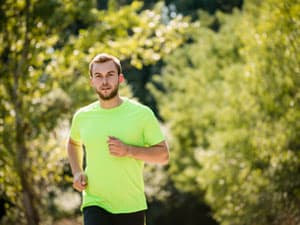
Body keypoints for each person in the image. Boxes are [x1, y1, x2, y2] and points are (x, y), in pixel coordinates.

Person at [67, 53, 169, 225]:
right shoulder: (82, 116)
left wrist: (129, 150)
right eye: (98, 76)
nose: (104, 81)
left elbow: (163, 155)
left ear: (120, 78)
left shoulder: (142, 114)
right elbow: (73, 143)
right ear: (92, 81)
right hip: (95, 202)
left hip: (131, 205)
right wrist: (77, 171)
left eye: (110, 75)